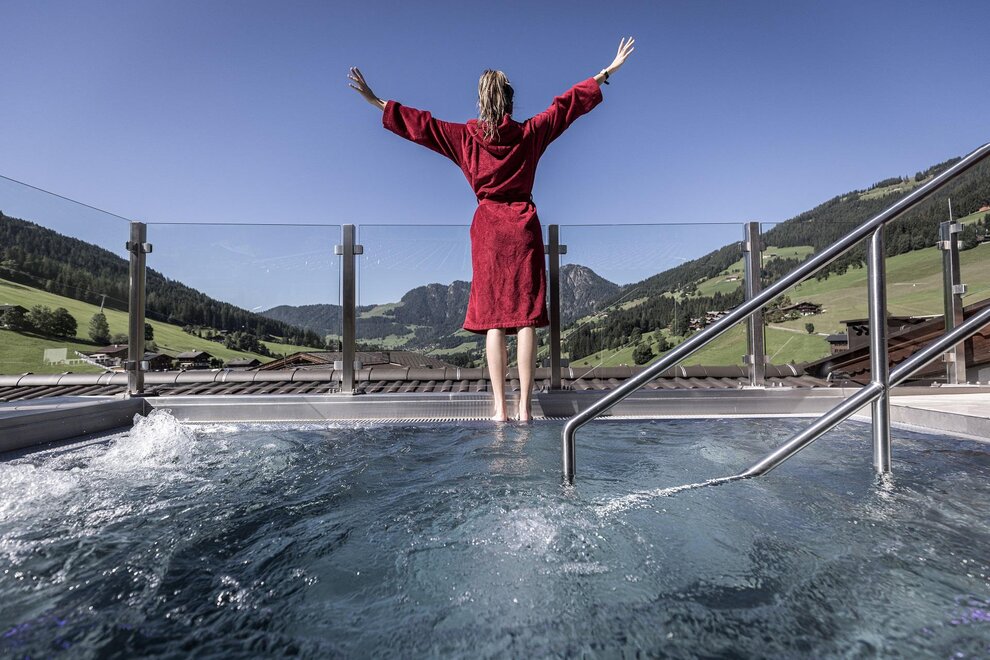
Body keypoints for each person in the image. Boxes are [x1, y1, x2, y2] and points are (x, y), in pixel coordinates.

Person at [349, 37, 635, 422]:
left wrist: (376, 101)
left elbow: (423, 126)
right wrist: (606, 72)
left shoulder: (466, 137)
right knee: (527, 317)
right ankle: (524, 408)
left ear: (481, 103)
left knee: (495, 320)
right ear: (511, 102)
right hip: (523, 228)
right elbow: (565, 107)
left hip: (488, 231)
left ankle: (500, 408)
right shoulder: (530, 133)